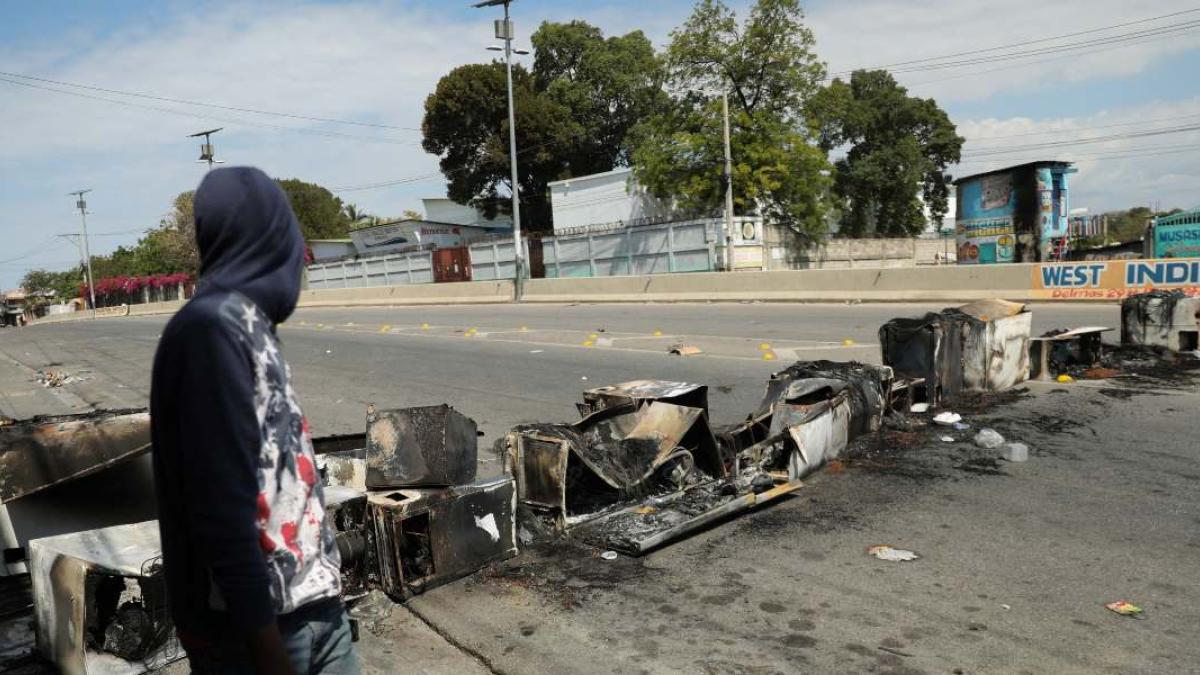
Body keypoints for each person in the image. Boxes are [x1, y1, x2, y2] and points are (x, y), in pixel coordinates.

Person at [150, 167, 359, 675]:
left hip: (317, 606)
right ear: (271, 242)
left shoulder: (249, 324)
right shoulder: (211, 330)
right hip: (262, 632)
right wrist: (264, 648)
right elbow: (220, 508)